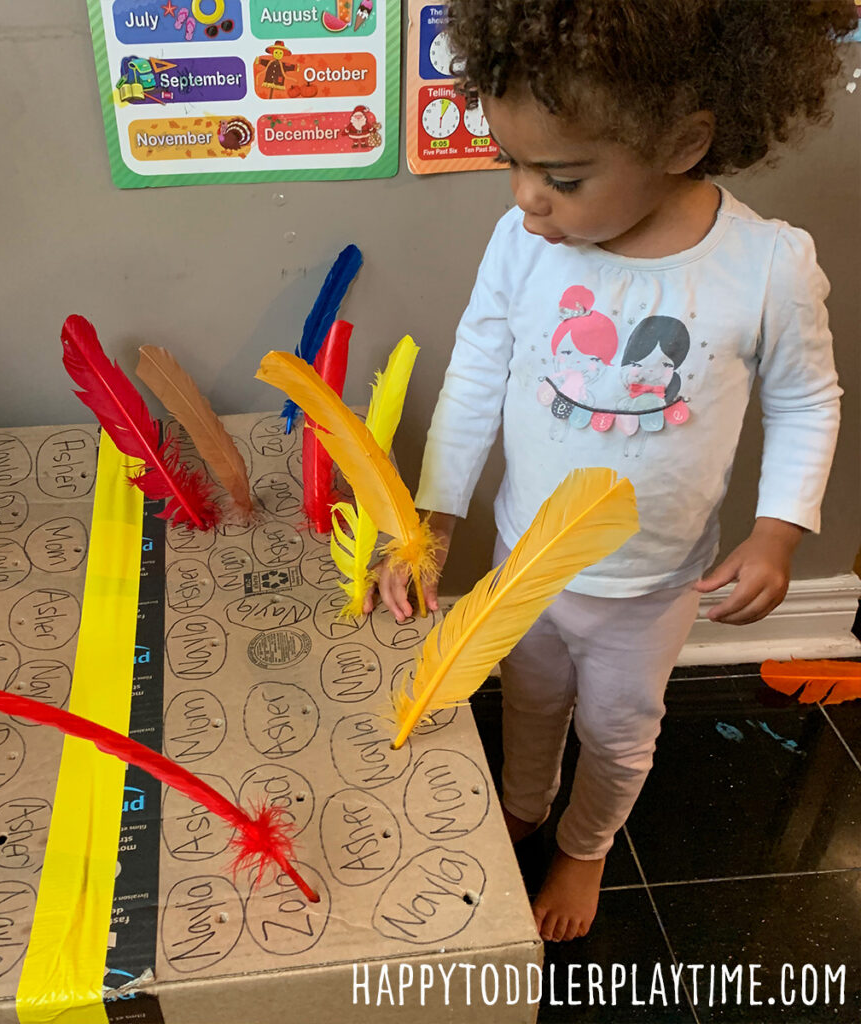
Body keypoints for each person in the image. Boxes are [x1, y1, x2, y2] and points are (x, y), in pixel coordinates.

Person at [365, 0, 854, 943]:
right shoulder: (522, 245)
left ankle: (586, 843)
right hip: (526, 557)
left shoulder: (766, 267)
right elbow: (476, 374)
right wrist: (436, 515)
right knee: (529, 699)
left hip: (650, 585)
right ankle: (523, 802)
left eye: (561, 176)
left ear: (682, 142)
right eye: (509, 161)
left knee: (621, 730)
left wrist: (779, 528)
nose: (526, 198)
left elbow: (806, 400)